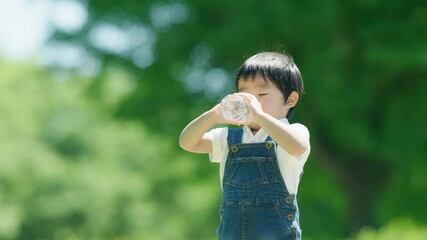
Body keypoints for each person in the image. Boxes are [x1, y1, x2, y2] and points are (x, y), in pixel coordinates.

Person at [179, 51, 310, 240]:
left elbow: (298, 147)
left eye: (262, 94)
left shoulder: (294, 132)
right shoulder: (228, 138)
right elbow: (187, 142)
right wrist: (214, 115)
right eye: (244, 94)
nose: (252, 102)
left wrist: (259, 115)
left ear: (290, 100)